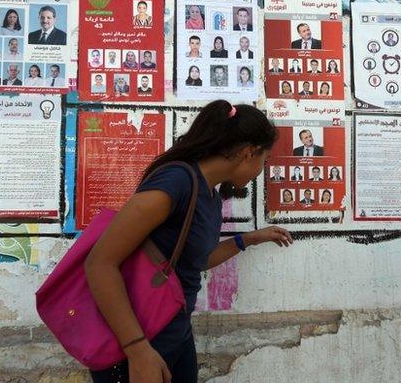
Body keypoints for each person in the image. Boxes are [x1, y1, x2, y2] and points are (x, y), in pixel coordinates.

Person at [85, 100, 292, 383]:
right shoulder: (176, 182)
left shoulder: (209, 194)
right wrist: (137, 350)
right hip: (140, 338)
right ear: (248, 152)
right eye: (263, 160)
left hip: (176, 328)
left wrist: (249, 239)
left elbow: (197, 261)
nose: (261, 169)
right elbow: (100, 263)